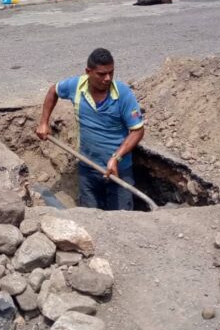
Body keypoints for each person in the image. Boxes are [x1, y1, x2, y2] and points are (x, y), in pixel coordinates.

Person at [35, 48, 145, 210]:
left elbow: (138, 130)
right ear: (88, 72)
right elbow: (54, 91)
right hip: (88, 167)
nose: (107, 78)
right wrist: (44, 122)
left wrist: (116, 158)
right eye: (101, 74)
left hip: (118, 171)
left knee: (122, 220)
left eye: (111, 73)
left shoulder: (122, 94)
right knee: (90, 217)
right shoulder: (76, 86)